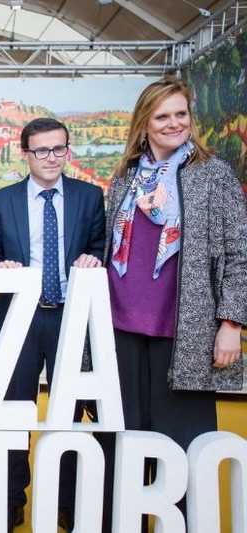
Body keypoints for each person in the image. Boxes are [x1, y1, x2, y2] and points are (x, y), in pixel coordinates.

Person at [98, 76, 247, 531]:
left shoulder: (213, 172)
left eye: (181, 114)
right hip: (120, 327)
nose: (174, 123)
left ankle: (174, 525)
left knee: (180, 446)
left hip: (184, 332)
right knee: (124, 439)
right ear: (144, 123)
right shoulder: (125, 175)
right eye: (163, 115)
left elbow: (239, 250)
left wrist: (232, 323)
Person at [0, 117, 106, 532]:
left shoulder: (90, 197)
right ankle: (12, 499)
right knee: (14, 414)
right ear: (26, 155)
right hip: (21, 316)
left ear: (67, 150)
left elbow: (99, 247)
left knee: (66, 415)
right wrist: (0, 265)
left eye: (59, 149)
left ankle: (64, 500)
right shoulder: (2, 202)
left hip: (71, 318)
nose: (51, 158)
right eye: (41, 151)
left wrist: (94, 258)